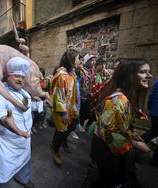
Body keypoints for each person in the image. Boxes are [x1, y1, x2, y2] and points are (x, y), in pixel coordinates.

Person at [89, 58, 153, 187]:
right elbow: (108, 134)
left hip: (111, 150)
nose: (149, 76)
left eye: (149, 72)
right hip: (108, 150)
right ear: (130, 75)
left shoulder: (128, 95)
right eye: (143, 72)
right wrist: (135, 144)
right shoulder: (118, 100)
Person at [0, 57, 46, 188]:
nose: (20, 79)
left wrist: (44, 103)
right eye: (16, 76)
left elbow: (29, 106)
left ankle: (23, 179)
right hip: (9, 144)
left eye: (22, 76)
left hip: (25, 139)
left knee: (25, 161)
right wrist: (5, 120)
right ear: (7, 76)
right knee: (4, 169)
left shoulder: (24, 93)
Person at [49, 49, 80, 166]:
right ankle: (55, 149)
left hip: (70, 108)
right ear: (71, 60)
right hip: (62, 111)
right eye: (78, 59)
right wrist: (63, 113)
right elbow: (59, 97)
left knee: (72, 126)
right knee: (61, 130)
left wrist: (75, 107)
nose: (80, 61)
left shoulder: (71, 74)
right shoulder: (62, 76)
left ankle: (61, 141)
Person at [142, 79, 158, 166]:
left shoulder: (156, 82)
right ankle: (155, 160)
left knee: (153, 131)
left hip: (154, 113)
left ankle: (136, 144)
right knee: (154, 131)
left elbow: (151, 97)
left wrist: (150, 108)